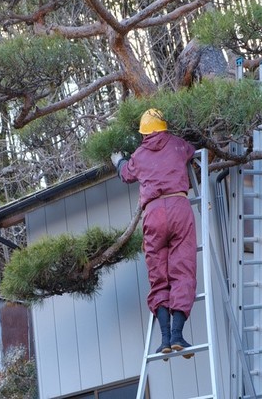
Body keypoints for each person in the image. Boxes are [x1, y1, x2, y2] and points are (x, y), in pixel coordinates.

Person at [111, 108, 196, 358]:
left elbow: (126, 174)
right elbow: (192, 151)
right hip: (179, 207)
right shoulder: (179, 145)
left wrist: (118, 162)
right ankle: (179, 335)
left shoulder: (138, 155)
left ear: (144, 133)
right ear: (164, 127)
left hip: (154, 213)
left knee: (159, 276)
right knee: (184, 269)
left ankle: (165, 340)